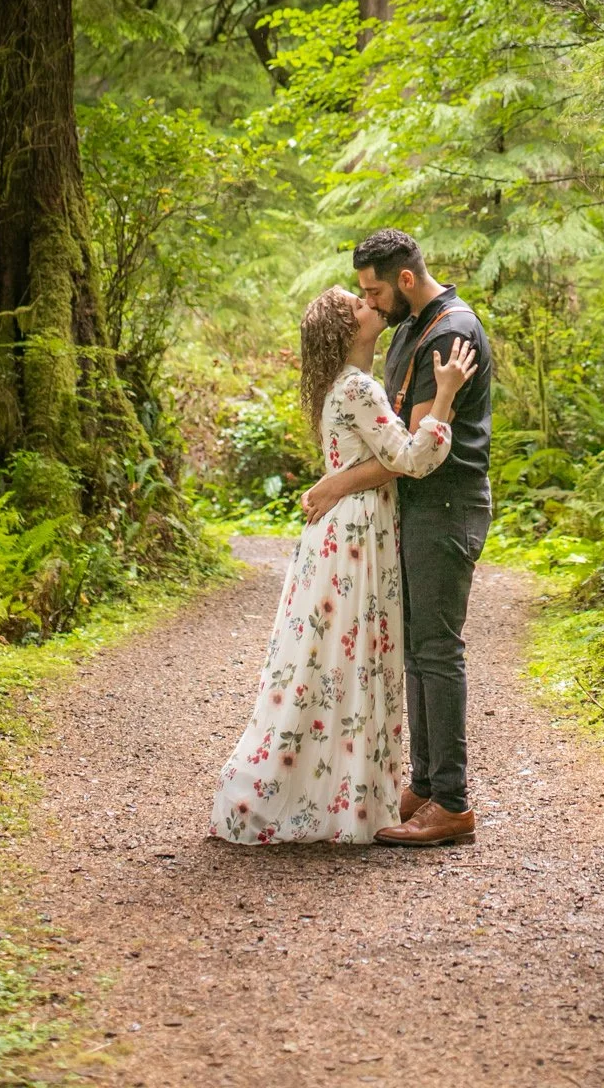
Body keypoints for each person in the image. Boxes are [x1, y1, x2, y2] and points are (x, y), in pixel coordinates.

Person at [209, 284, 475, 845]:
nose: (368, 304)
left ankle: (348, 789)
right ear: (345, 330)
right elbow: (408, 459)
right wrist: (445, 395)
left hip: (346, 528)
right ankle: (336, 793)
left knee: (331, 660)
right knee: (347, 662)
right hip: (356, 533)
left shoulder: (345, 386)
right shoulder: (357, 386)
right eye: (357, 305)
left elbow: (375, 459)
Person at [301, 229, 492, 848]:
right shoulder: (409, 328)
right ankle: (428, 784)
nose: (371, 303)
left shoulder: (449, 331)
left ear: (404, 280)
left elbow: (416, 455)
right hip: (411, 511)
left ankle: (454, 803)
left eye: (374, 290)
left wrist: (336, 484)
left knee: (437, 650)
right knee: (415, 648)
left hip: (445, 503)